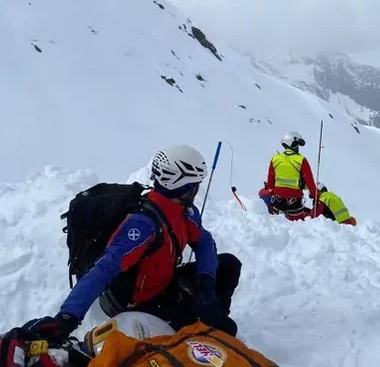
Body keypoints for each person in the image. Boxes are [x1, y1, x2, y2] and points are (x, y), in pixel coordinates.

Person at [21, 145, 242, 342]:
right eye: (194, 185)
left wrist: (207, 286)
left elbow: (203, 241)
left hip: (165, 284)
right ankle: (201, 335)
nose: (196, 190)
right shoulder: (142, 225)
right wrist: (67, 317)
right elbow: (104, 268)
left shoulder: (184, 211)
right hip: (140, 303)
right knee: (222, 330)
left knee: (230, 265)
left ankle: (207, 320)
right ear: (181, 184)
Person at [266, 131, 318, 221]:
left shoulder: (275, 159)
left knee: (277, 226)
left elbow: (270, 180)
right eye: (297, 145)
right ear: (292, 143)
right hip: (295, 204)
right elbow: (310, 181)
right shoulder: (301, 160)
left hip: (277, 202)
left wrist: (271, 193)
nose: (298, 148)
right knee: (297, 229)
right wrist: (314, 195)